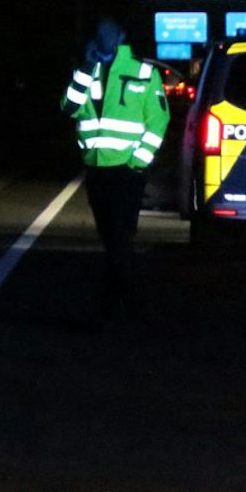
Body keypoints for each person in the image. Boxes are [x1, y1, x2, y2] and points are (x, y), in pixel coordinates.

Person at [60, 18, 168, 324]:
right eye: (99, 31)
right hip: (97, 170)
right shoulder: (87, 69)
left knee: (119, 239)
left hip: (127, 171)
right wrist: (83, 70)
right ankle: (126, 307)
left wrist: (138, 163)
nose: (103, 36)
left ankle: (118, 309)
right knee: (112, 240)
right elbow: (69, 108)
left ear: (121, 35)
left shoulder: (143, 72)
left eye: (109, 31)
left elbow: (158, 121)